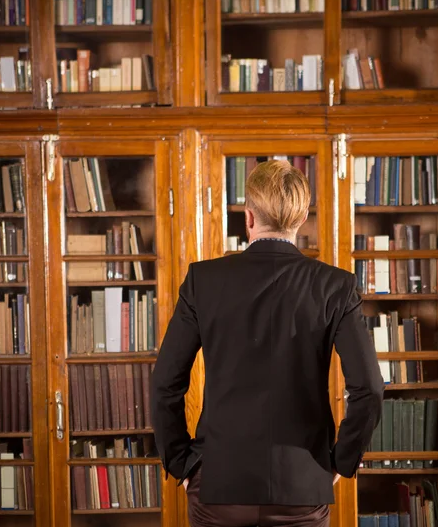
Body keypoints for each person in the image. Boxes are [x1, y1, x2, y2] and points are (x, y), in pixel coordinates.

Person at [151, 159, 384, 527]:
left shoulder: (203, 280)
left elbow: (166, 383)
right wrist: (342, 460)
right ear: (300, 218)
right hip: (302, 485)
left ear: (248, 217)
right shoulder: (335, 286)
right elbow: (369, 388)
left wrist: (179, 462)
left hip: (218, 485)